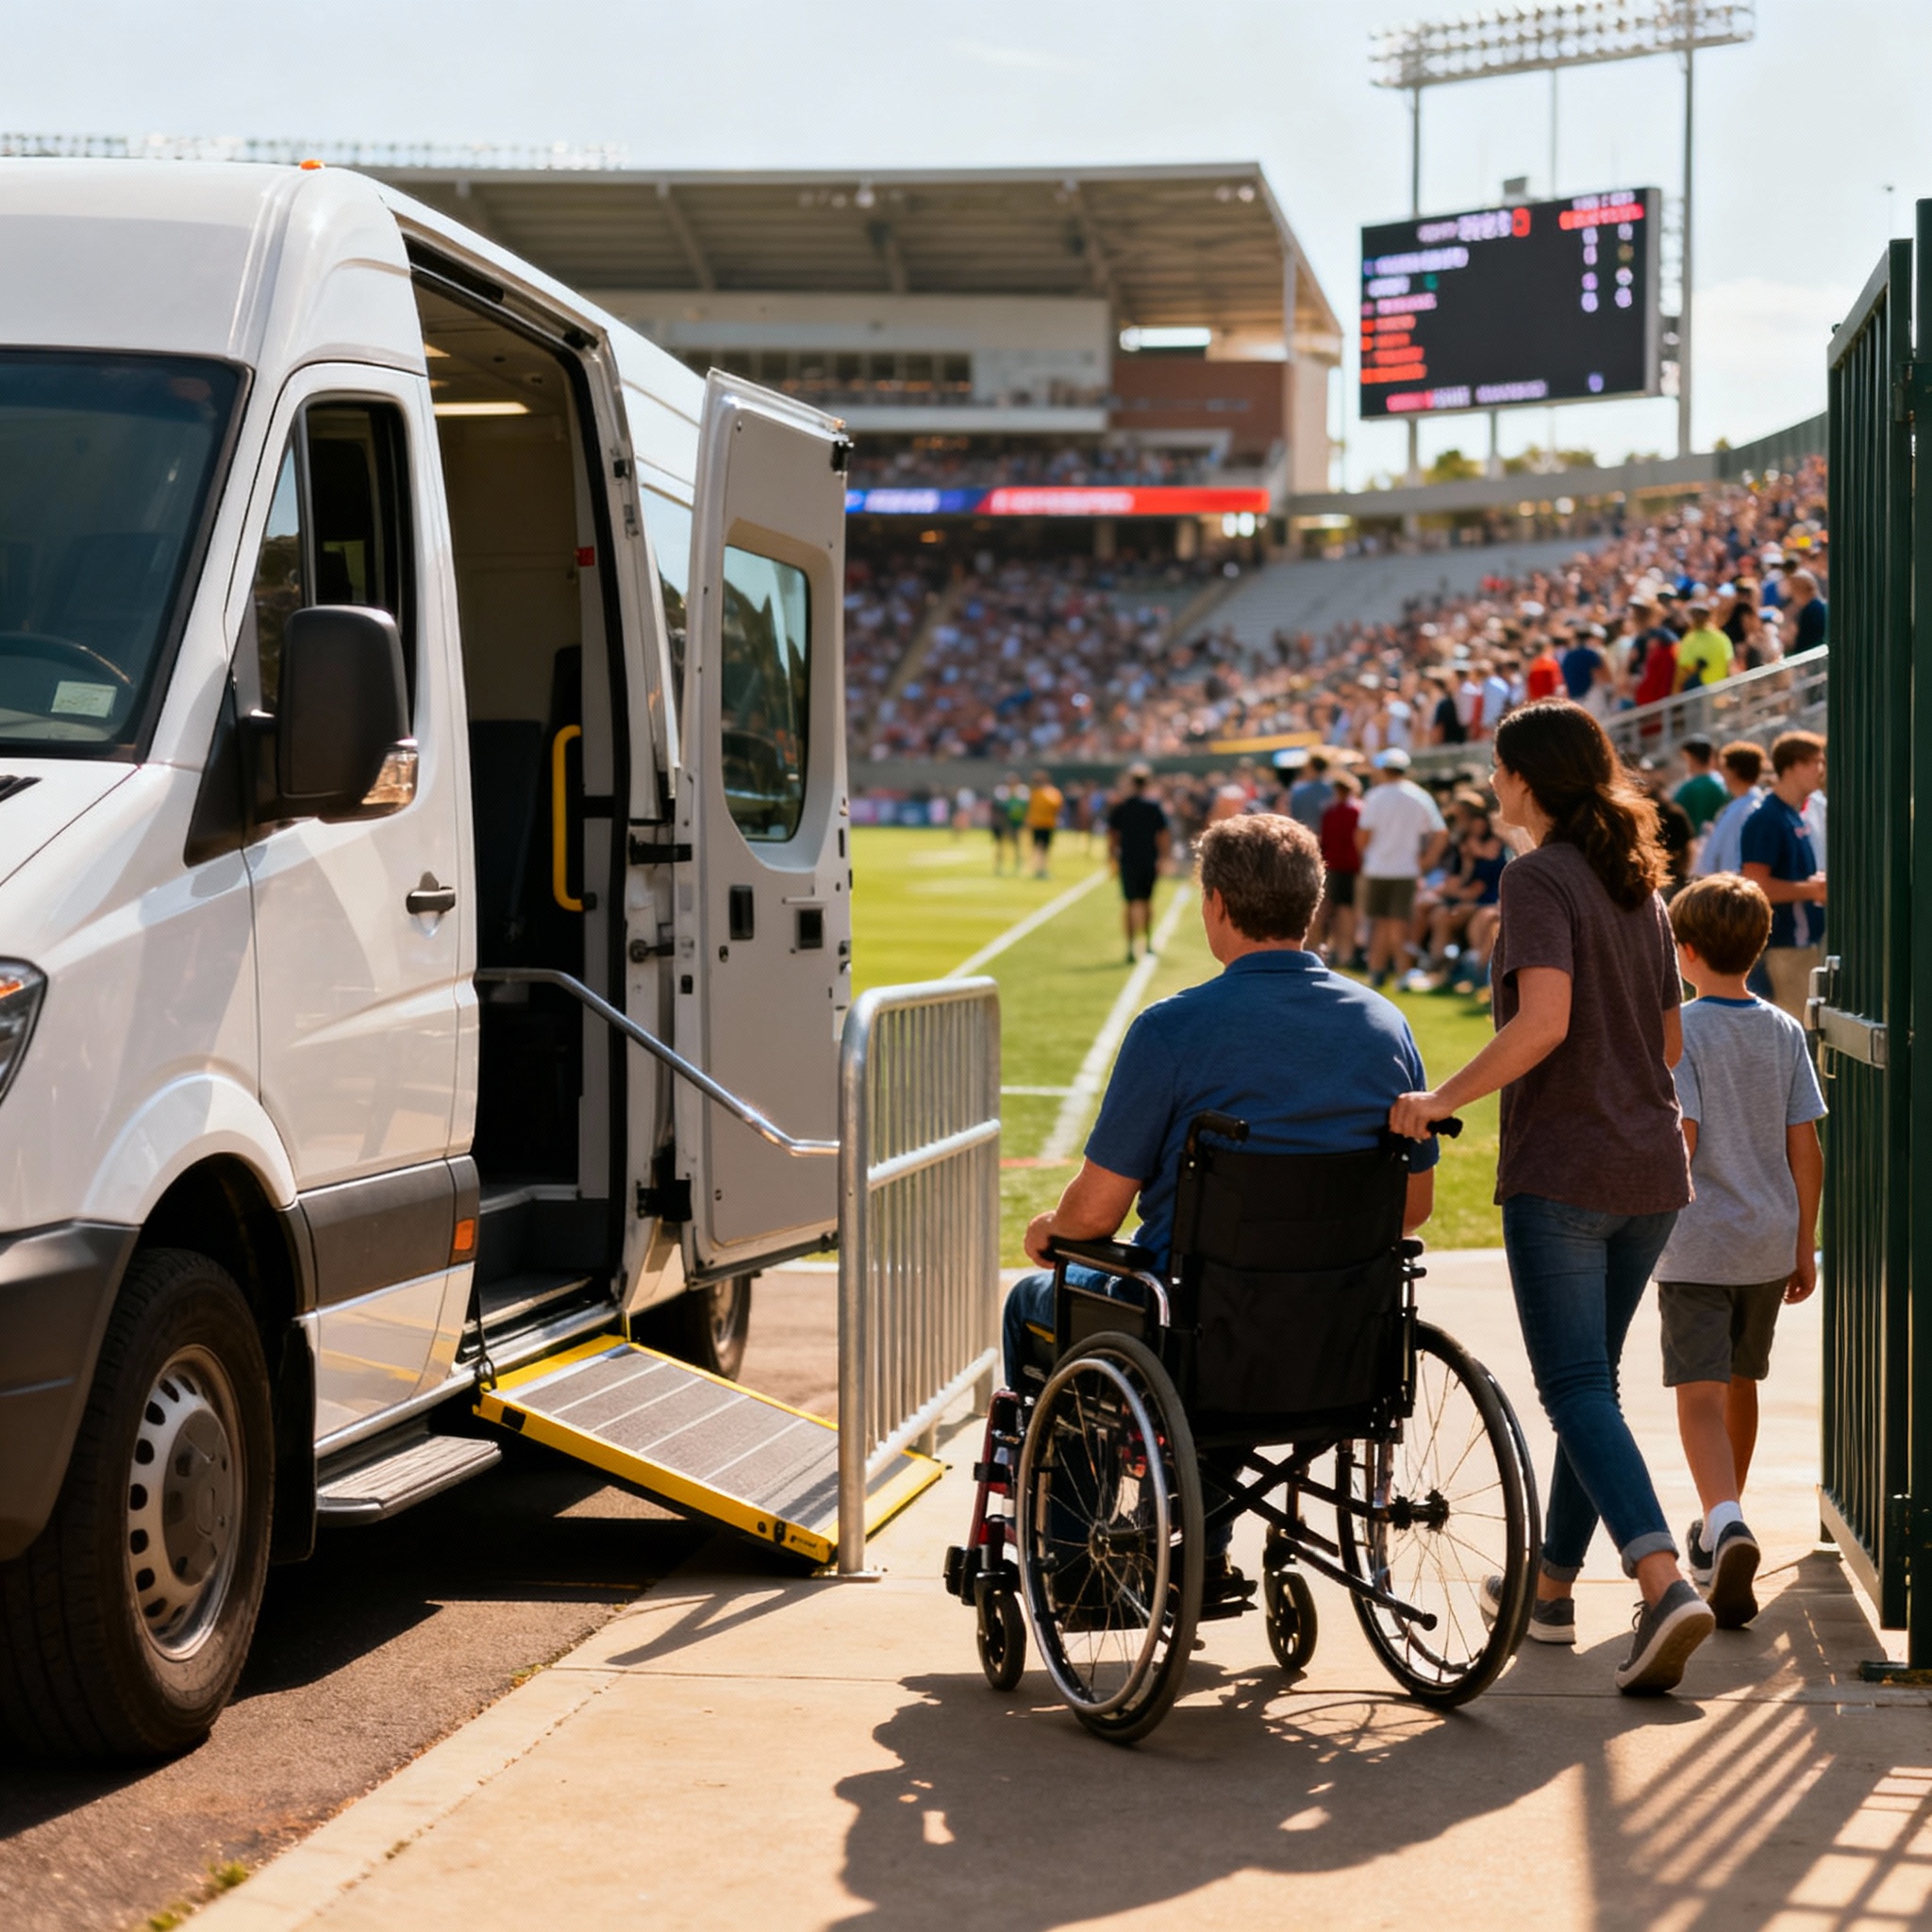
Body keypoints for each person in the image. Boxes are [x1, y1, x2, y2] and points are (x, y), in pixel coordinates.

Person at [1005, 812, 1441, 1598]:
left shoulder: (1173, 1030)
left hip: (1199, 1332)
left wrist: (1050, 1231)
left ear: (1215, 906)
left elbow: (1096, 1216)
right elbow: (1411, 1208)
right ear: (1313, 903)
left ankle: (1076, 1559)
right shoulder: (1385, 1025)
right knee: (1228, 1304)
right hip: (1341, 1336)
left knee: (1037, 1300)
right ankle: (1199, 1538)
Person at [1389, 700, 1712, 1696]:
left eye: (1496, 768)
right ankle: (1551, 1587)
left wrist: (1438, 1097)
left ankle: (1658, 1578)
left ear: (1528, 778)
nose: (1488, 783)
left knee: (1573, 1388)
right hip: (1649, 1171)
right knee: (1593, 1390)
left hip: (1565, 1169)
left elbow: (1542, 1022)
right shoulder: (1638, 887)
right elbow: (1665, 1042)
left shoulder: (1535, 878)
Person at [1655, 874, 1826, 1628]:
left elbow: (1681, 1138)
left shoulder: (1682, 1032)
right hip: (1765, 1240)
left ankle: (1723, 1523)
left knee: (1696, 1394)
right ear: (1759, 947)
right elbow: (1806, 1147)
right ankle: (1725, 1518)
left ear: (1683, 951)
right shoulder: (1784, 1030)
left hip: (1698, 1241)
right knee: (1740, 1379)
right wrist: (1804, 1242)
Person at [1740, 731, 1827, 1021]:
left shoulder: (1790, 814)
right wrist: (1812, 891)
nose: (1821, 770)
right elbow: (1755, 886)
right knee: (1799, 1035)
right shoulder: (1767, 818)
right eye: (1814, 762)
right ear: (1791, 766)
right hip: (1784, 949)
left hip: (1801, 947)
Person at [1356, 748, 1447, 988]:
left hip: (1377, 868)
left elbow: (1363, 836)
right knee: (1398, 923)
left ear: (1384, 769)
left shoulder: (1375, 796)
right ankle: (1401, 972)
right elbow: (1440, 832)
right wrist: (1427, 861)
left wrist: (1369, 854)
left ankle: (1378, 970)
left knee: (1379, 922)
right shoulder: (1419, 796)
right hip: (1406, 870)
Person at [1108, 765, 1171, 964]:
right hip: (1148, 859)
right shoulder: (1153, 807)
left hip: (1128, 860)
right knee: (1147, 902)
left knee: (1129, 903)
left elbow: (1112, 835)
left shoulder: (1122, 807)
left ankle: (1130, 947)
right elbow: (1163, 834)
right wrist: (1163, 857)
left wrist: (1111, 857)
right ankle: (1149, 942)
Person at [1694, 741, 1767, 877]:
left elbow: (1735, 858)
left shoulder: (1747, 809)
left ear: (1734, 771)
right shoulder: (1742, 804)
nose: (1722, 775)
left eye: (1724, 769)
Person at [1317, 769, 1363, 965]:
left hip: (1335, 866)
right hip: (1351, 867)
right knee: (1346, 912)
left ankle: (1335, 951)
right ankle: (1345, 952)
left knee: (1334, 911)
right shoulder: (1357, 810)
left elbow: (1325, 841)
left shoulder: (1332, 811)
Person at [1674, 604, 1735, 692]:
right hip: (1715, 689)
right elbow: (1730, 664)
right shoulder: (1721, 637)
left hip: (1701, 691)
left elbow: (1683, 670)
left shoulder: (1690, 640)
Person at [1673, 736, 1726, 837]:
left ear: (1690, 758)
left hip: (1693, 847)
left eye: (1684, 758)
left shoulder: (1687, 789)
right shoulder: (1724, 785)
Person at [1024, 767, 1064, 879]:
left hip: (1046, 823)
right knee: (1040, 847)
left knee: (1043, 847)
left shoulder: (1048, 792)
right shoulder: (1034, 792)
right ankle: (1039, 868)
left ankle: (1041, 868)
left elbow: (1056, 805)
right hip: (1039, 823)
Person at [1287, 750, 1334, 836]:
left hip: (1305, 835)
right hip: (1328, 838)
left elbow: (1293, 815)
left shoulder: (1298, 790)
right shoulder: (1333, 790)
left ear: (1311, 767)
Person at [1782, 569, 1828, 655]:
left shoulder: (1813, 610)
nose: (1792, 593)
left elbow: (1803, 644)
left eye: (1794, 588)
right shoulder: (1807, 607)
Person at [991, 774, 1025, 874]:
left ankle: (1017, 863)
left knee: (1016, 844)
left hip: (1015, 822)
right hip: (1002, 822)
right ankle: (998, 866)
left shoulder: (1022, 791)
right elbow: (998, 804)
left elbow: (1024, 805)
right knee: (1000, 844)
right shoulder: (1001, 791)